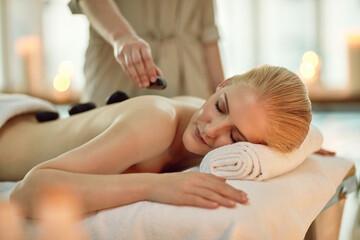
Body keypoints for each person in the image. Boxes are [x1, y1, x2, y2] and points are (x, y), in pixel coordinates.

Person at [1, 65, 312, 218]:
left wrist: (298, 149)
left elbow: (300, 138)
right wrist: (154, 185)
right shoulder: (155, 122)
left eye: (234, 137)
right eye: (220, 106)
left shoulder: (223, 147)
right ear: (223, 84)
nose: (211, 129)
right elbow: (25, 194)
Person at [68, 0, 225, 106]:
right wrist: (122, 36)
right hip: (117, 71)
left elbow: (208, 33)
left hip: (192, 79)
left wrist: (221, 94)